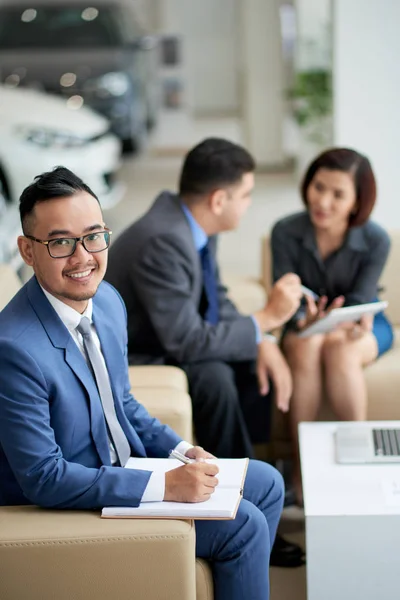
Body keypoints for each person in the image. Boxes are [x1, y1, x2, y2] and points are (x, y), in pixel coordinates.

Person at [0, 166, 298, 597]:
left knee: (267, 483)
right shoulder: (14, 348)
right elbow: (45, 477)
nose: (83, 256)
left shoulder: (105, 300)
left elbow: (122, 403)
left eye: (93, 235)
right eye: (61, 242)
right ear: (28, 251)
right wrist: (164, 485)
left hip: (125, 468)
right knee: (244, 525)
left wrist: (181, 451)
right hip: (68, 499)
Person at [106, 138, 303, 462]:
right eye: (246, 195)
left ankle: (257, 463)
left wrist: (261, 336)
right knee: (214, 377)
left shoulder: (194, 225)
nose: (249, 203)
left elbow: (215, 297)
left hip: (165, 333)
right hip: (136, 349)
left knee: (248, 360)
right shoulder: (164, 240)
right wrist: (267, 316)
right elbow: (186, 341)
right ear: (219, 200)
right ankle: (231, 483)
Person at [271, 148, 394, 503]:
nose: (323, 201)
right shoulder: (285, 231)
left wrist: (344, 322)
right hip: (305, 325)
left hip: (359, 324)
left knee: (340, 349)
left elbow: (362, 301)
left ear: (357, 202)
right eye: (318, 187)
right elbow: (285, 297)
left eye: (338, 194)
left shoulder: (376, 239)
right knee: (309, 343)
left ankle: (357, 464)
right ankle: (300, 469)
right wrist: (303, 320)